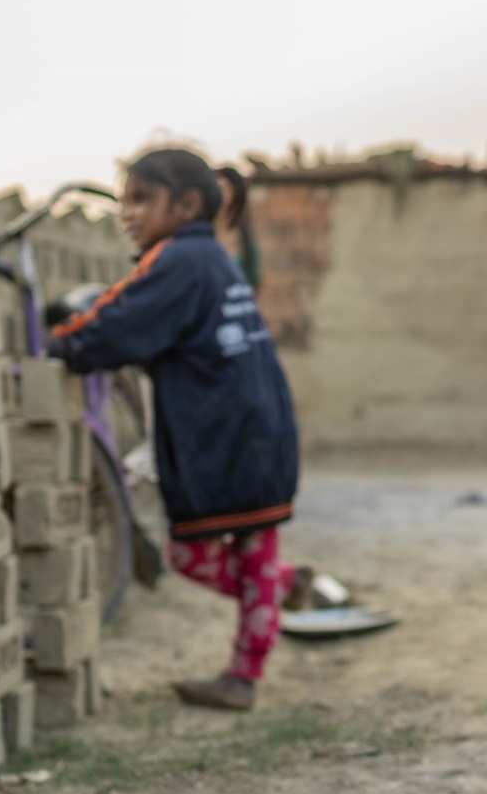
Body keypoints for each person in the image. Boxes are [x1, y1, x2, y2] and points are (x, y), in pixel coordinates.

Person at [50, 149, 301, 712]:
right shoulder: (207, 256)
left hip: (228, 434)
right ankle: (266, 618)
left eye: (141, 200)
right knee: (256, 550)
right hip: (256, 421)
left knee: (192, 555)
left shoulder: (178, 262)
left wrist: (62, 344)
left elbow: (120, 323)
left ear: (186, 204)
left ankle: (262, 628)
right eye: (124, 201)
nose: (127, 213)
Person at [215, 164, 262, 289]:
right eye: (217, 188)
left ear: (236, 193)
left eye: (226, 189)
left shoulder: (244, 237)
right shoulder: (200, 232)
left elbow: (254, 282)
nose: (220, 194)